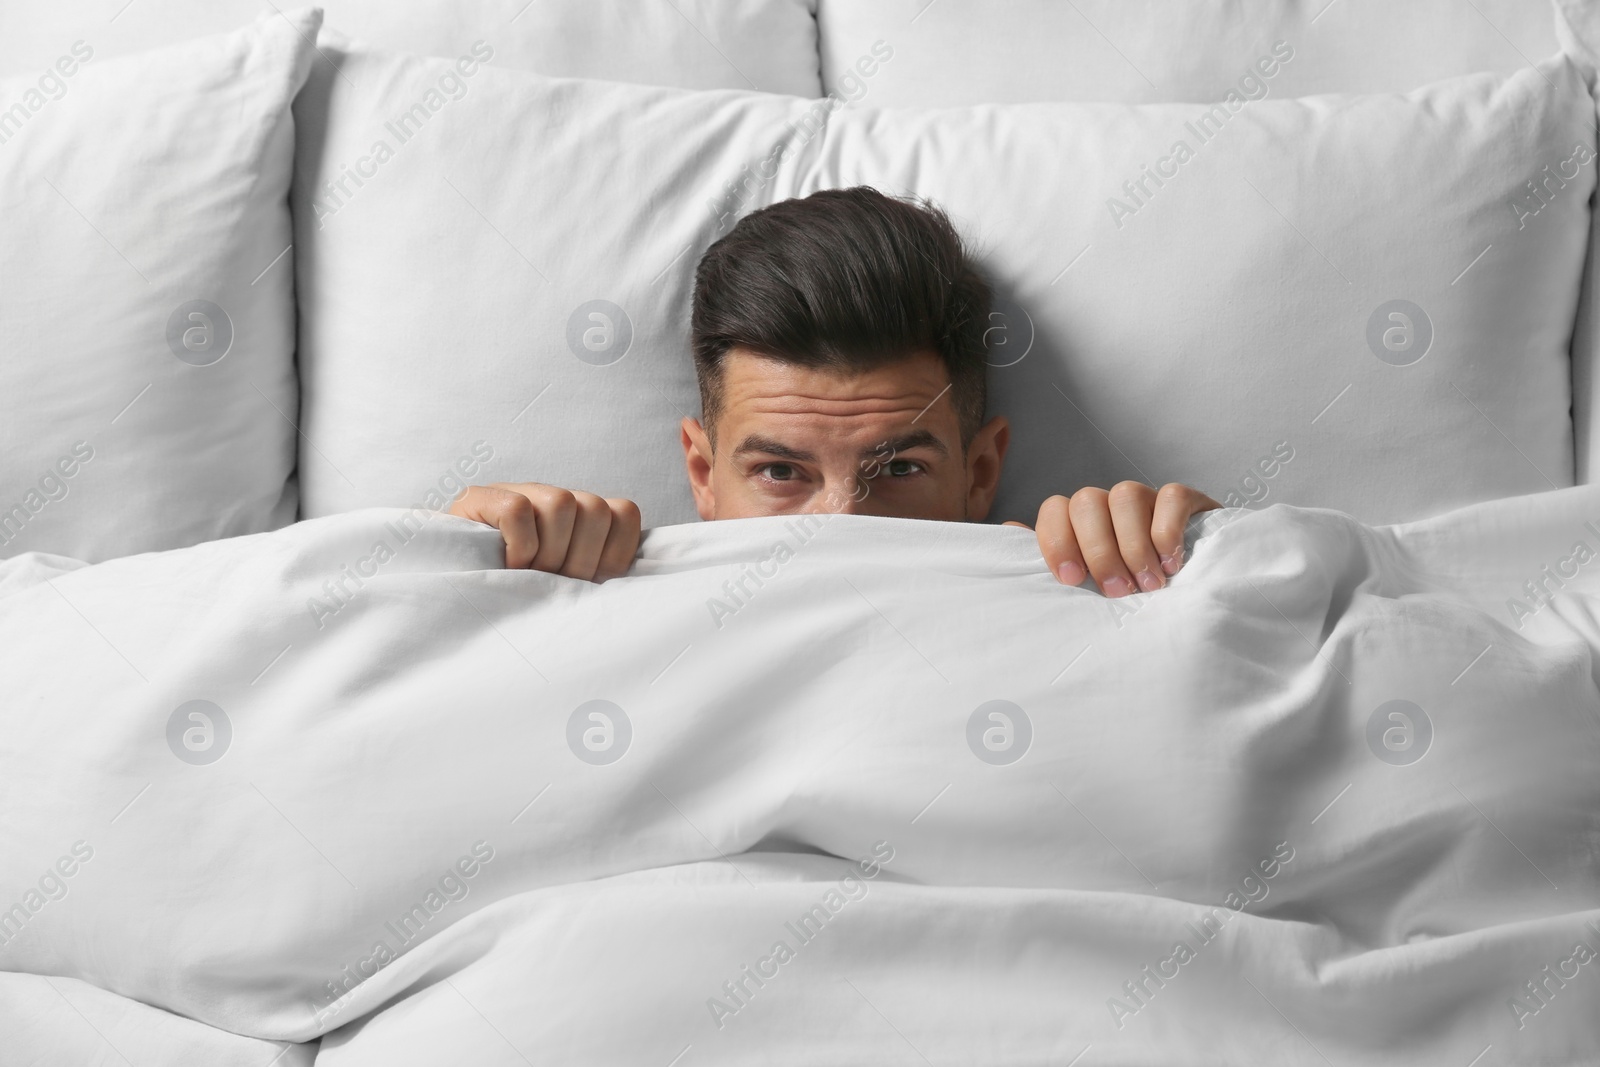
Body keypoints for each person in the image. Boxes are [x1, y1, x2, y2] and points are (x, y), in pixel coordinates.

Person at [450, 187, 1219, 598]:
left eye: (899, 469)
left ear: (980, 472)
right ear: (701, 473)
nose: (840, 527)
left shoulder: (1088, 591)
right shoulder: (582, 597)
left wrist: (1209, 561)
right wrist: (461, 564)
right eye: (781, 472)